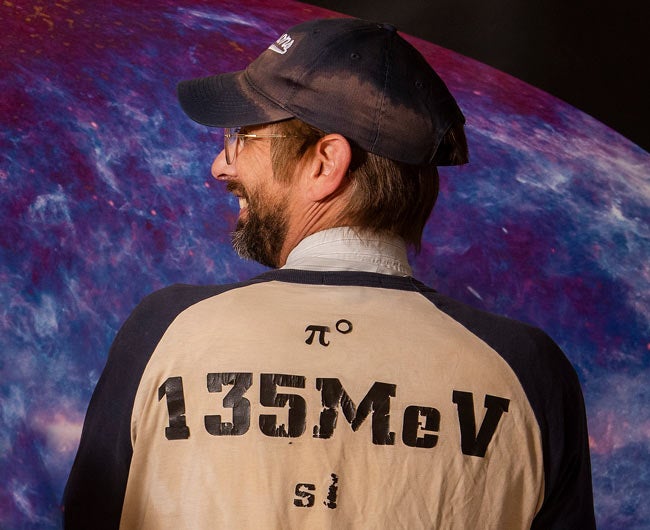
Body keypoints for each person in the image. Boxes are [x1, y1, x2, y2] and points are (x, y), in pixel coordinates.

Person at [63, 17, 596, 529]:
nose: (221, 165)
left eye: (241, 135)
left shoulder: (166, 333)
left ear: (324, 163)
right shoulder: (528, 372)